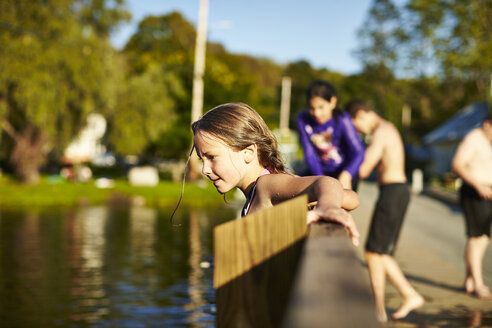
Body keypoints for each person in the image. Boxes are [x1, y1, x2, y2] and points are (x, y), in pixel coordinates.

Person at [190, 102, 361, 246]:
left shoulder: (267, 185)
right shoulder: (255, 193)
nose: (205, 169)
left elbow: (326, 183)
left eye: (211, 157)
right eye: (202, 159)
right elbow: (351, 198)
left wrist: (328, 206)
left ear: (248, 153)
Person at [345, 100, 424, 322]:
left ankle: (392, 303)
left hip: (393, 192)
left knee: (373, 252)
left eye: (355, 126)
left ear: (361, 115)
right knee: (378, 252)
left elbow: (365, 166)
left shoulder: (382, 131)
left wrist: (342, 171)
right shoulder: (387, 129)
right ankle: (392, 303)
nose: (357, 131)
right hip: (394, 191)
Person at [451, 113, 492, 300]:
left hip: (488, 193)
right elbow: (457, 164)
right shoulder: (473, 138)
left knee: (483, 238)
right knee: (476, 238)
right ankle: (478, 283)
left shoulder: (488, 141)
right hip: (474, 192)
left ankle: (469, 279)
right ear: (487, 124)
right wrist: (478, 185)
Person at [297, 80, 365, 190]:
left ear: (332, 102)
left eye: (321, 107)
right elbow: (310, 154)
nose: (317, 113)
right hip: (319, 172)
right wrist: (321, 181)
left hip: (344, 172)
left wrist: (347, 174)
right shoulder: (303, 119)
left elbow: (359, 152)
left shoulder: (342, 119)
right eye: (312, 108)